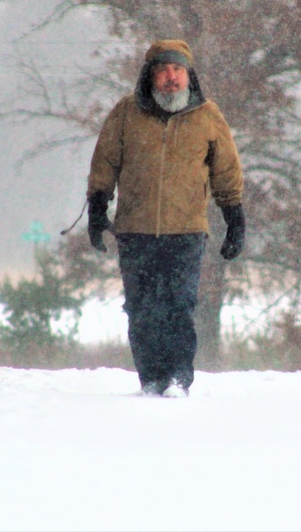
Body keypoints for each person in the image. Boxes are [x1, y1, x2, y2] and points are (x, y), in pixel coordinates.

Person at [87, 39, 245, 397]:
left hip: (186, 231)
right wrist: (97, 209)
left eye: (178, 70)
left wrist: (234, 217)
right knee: (141, 309)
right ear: (150, 76)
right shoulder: (126, 113)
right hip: (135, 230)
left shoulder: (207, 116)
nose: (171, 78)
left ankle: (177, 378)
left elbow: (227, 170)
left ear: (189, 75)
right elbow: (104, 163)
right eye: (163, 70)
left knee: (178, 304)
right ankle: (151, 379)